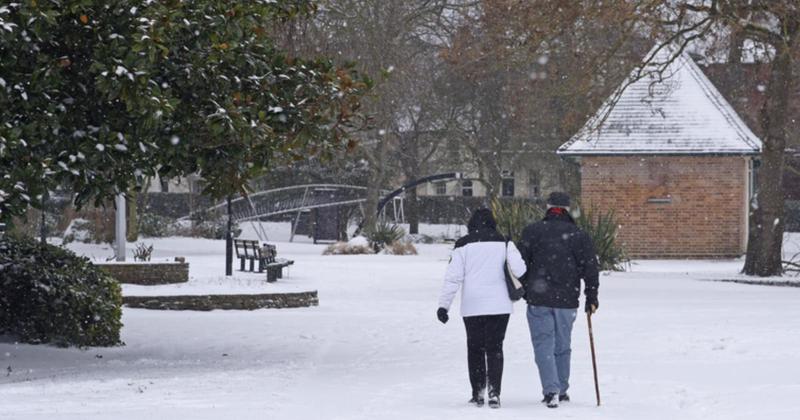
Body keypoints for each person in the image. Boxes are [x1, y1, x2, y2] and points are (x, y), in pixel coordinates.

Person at [437, 208, 526, 409]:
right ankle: (495, 392)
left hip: (473, 305)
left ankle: (478, 391)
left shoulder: (463, 245)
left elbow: (453, 277)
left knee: (475, 348)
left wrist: (444, 306)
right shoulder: (504, 241)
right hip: (500, 305)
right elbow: (520, 270)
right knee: (495, 348)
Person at [517, 192, 599, 408]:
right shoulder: (578, 235)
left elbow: (518, 265)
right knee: (563, 345)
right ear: (567, 209)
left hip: (539, 297)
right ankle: (561, 389)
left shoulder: (532, 232)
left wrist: (526, 289)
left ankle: (551, 389)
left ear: (548, 207)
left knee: (543, 344)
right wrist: (592, 296)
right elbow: (590, 268)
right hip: (567, 298)